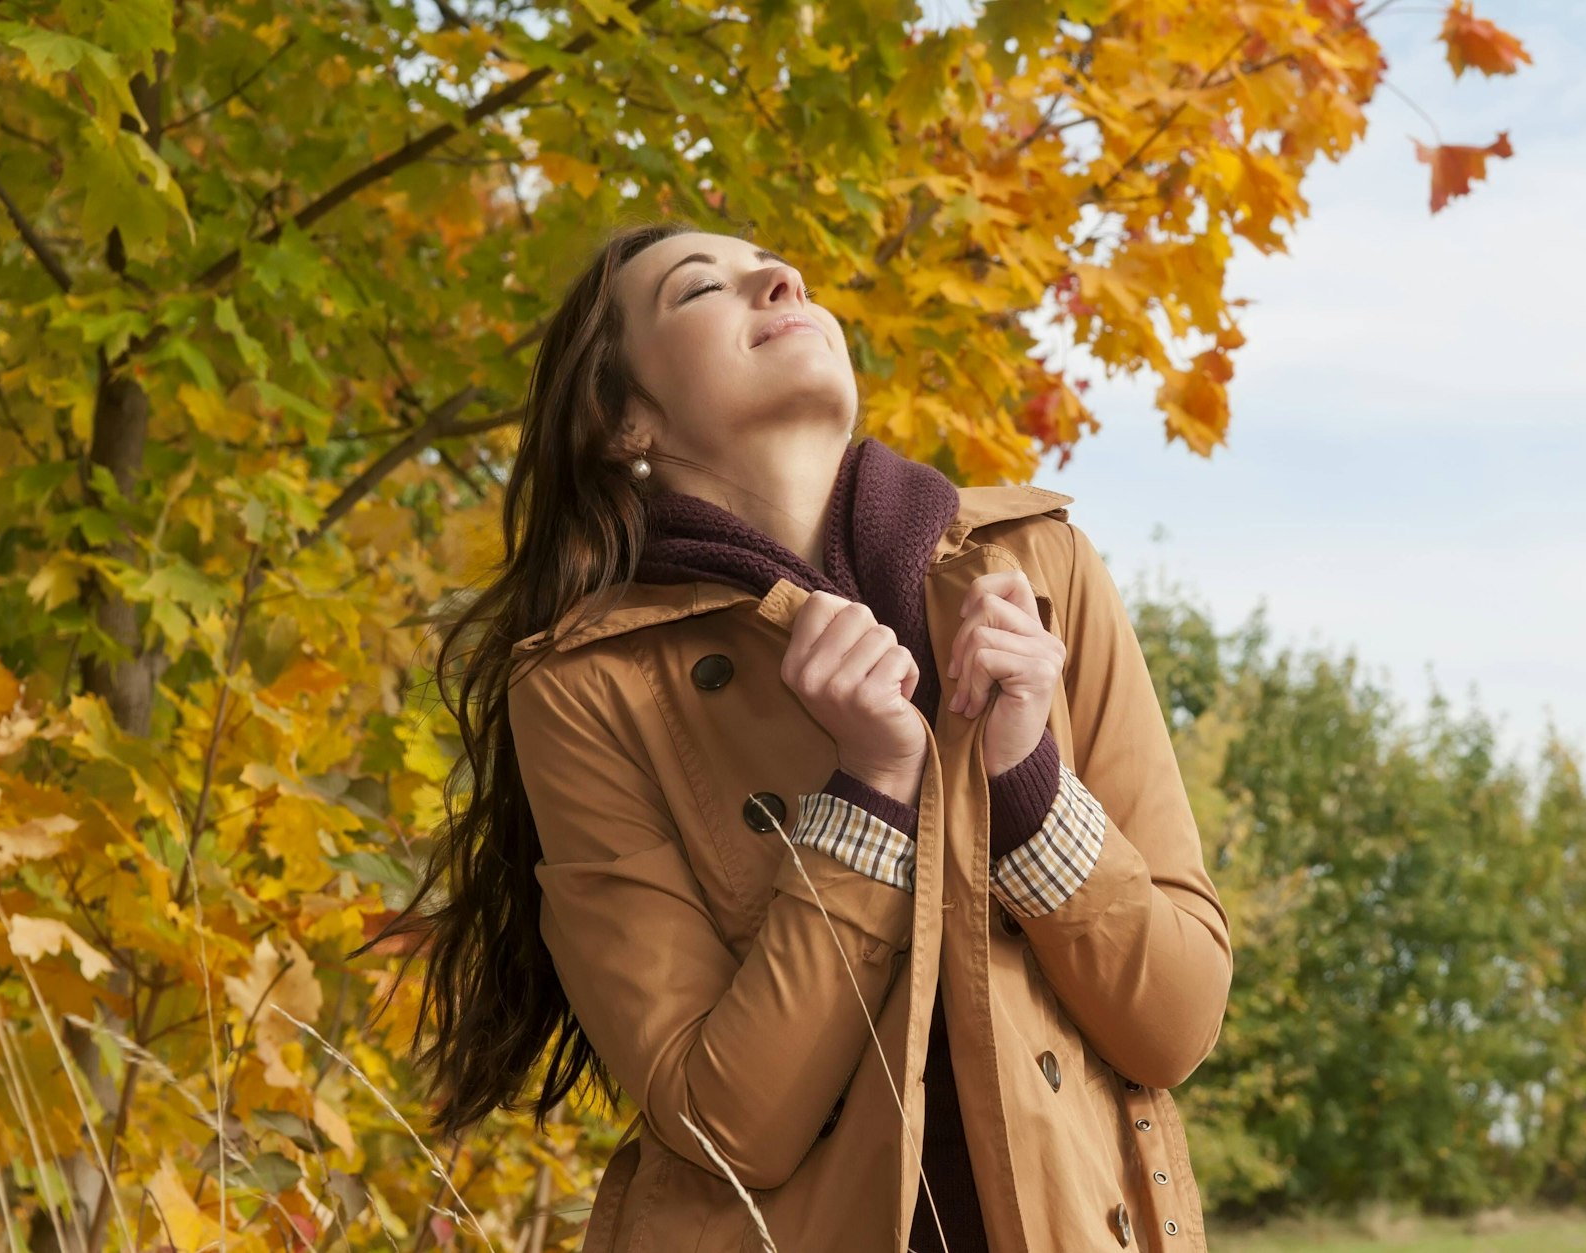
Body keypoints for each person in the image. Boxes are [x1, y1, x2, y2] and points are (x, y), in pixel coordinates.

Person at [364, 219, 1233, 1252]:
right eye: (700, 289)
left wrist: (1025, 780)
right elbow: (722, 1124)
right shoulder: (584, 684)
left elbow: (1175, 1021)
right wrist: (868, 792)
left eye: (779, 271)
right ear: (622, 421)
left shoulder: (1039, 568)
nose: (780, 278)